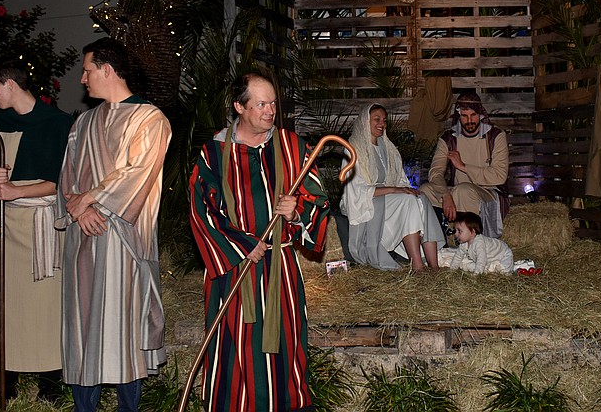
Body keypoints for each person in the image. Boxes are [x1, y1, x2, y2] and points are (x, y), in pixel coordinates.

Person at [189, 71, 330, 412]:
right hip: (233, 275)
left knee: (288, 348)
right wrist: (241, 244)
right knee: (232, 351)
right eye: (261, 104)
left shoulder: (292, 146)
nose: (270, 111)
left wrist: (296, 212)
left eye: (273, 103)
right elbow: (200, 210)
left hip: (280, 271)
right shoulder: (214, 153)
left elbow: (318, 198)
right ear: (239, 106)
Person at [55, 37, 172, 412]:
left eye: (87, 70)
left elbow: (138, 174)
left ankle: (128, 406)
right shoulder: (83, 122)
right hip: (82, 237)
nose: (83, 79)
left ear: (107, 69)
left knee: (121, 326)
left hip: (122, 239)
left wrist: (92, 201)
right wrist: (79, 210)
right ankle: (83, 406)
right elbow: (67, 175)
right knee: (82, 323)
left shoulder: (150, 119)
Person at [0, 59, 73, 404]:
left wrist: (17, 191)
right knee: (6, 300)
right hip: (7, 223)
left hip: (42, 223)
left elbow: (62, 183)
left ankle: (50, 378)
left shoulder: (58, 122)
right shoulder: (1, 121)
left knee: (46, 302)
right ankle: (4, 375)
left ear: (10, 84)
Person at [340, 104, 443, 271]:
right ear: (365, 121)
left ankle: (434, 265)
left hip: (389, 198)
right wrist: (396, 190)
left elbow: (400, 180)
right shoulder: (353, 149)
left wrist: (404, 189)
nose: (382, 124)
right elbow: (356, 190)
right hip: (367, 201)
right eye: (377, 119)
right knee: (408, 201)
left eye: (384, 120)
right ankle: (417, 265)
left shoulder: (388, 148)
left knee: (421, 199)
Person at [419, 90, 509, 239]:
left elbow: (499, 176)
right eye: (465, 116)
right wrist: (446, 195)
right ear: (458, 116)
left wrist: (463, 167)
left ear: (480, 114)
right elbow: (435, 173)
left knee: (464, 191)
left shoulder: (495, 136)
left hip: (487, 193)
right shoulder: (449, 139)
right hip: (456, 192)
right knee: (425, 190)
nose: (469, 121)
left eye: (473, 115)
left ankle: (472, 242)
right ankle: (438, 239)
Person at [438, 212, 514, 273]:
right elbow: (458, 257)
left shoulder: (479, 243)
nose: (455, 234)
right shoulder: (464, 244)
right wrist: (452, 270)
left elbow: (481, 260)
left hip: (503, 253)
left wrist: (477, 274)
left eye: (459, 231)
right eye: (455, 230)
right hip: (490, 257)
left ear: (473, 232)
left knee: (504, 270)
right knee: (470, 265)